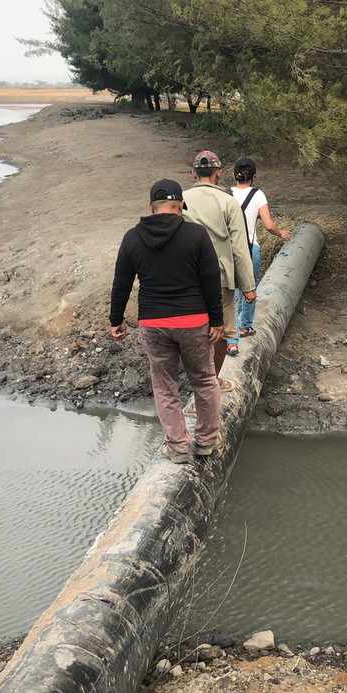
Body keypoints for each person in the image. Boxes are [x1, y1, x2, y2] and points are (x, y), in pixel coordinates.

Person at [109, 179, 225, 463]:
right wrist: (217, 321)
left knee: (164, 385)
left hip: (154, 323)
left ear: (151, 207)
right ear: (181, 204)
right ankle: (207, 442)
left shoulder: (132, 238)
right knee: (204, 380)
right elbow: (211, 279)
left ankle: (178, 446)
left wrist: (116, 319)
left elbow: (121, 283)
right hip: (194, 321)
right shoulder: (197, 235)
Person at [182, 150, 256, 389]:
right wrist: (248, 286)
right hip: (221, 277)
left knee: (193, 330)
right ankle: (211, 381)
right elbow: (239, 247)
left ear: (194, 173)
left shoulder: (179, 200)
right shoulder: (228, 202)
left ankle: (197, 380)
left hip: (188, 278)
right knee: (221, 330)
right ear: (219, 174)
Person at [226, 157, 291, 355]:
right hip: (250, 248)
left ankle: (232, 341)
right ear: (254, 177)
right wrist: (281, 234)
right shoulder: (258, 195)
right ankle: (245, 325)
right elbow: (268, 225)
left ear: (234, 175)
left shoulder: (226, 195)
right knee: (250, 287)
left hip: (229, 249)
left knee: (232, 292)